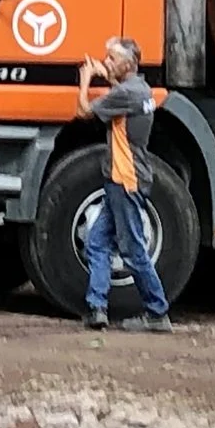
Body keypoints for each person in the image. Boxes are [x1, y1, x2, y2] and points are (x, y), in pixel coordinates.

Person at [75, 36, 172, 334]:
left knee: (132, 251)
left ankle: (157, 312)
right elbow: (122, 96)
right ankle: (97, 308)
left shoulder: (126, 93)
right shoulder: (139, 89)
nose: (107, 62)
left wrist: (86, 80)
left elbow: (83, 111)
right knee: (97, 241)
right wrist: (109, 76)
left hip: (124, 179)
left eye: (112, 59)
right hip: (126, 178)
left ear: (128, 64)